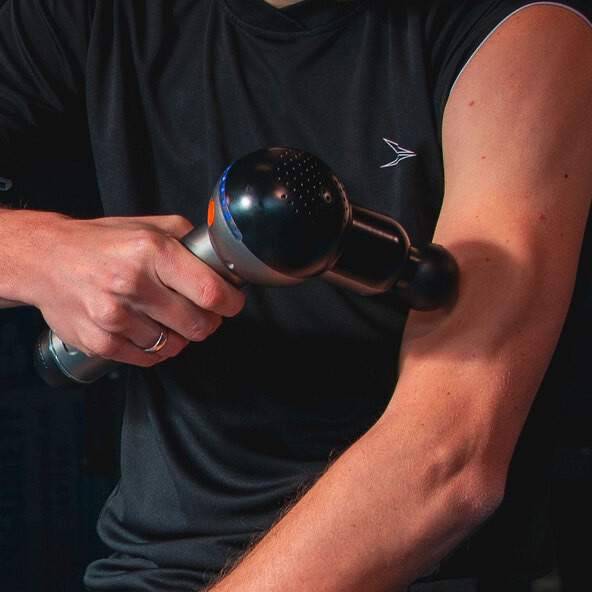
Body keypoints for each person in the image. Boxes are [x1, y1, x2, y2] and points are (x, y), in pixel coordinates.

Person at [0, 1, 591, 590]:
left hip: (411, 570)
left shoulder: (519, 36)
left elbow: (447, 461)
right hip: (152, 563)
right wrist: (41, 254)